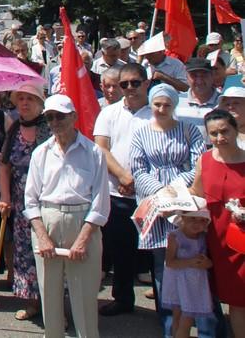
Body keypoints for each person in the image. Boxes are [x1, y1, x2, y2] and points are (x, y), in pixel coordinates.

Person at [24, 94, 110, 338]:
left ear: (74, 117)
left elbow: (100, 202)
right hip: (47, 221)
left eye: (60, 116)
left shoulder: (94, 152)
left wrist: (83, 239)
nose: (55, 122)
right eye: (50, 117)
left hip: (83, 223)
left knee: (84, 295)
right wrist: (42, 237)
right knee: (49, 295)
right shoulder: (40, 153)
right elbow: (30, 200)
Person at [130, 83, 207, 336]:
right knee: (163, 264)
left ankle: (199, 318)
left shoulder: (188, 130)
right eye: (157, 104)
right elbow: (138, 169)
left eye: (167, 105)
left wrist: (175, 190)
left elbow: (198, 164)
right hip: (155, 202)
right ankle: (168, 323)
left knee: (191, 255)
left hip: (183, 200)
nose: (162, 109)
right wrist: (161, 194)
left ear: (174, 105)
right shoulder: (141, 133)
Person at [94, 62, 154, 317]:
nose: (130, 88)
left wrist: (140, 181)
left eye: (135, 83)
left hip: (151, 195)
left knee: (154, 253)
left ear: (146, 83)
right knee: (121, 250)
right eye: (124, 84)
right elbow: (101, 148)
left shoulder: (157, 111)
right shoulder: (109, 113)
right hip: (117, 192)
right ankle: (123, 299)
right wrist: (122, 175)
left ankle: (166, 306)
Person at [0, 81, 51, 323]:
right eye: (21, 99)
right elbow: (4, 166)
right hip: (21, 204)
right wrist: (5, 197)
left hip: (48, 202)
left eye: (30, 99)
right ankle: (33, 303)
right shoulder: (15, 128)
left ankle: (54, 307)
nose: (25, 103)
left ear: (39, 103)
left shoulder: (49, 128)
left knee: (49, 253)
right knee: (26, 254)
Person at [191, 109, 245, 336]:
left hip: (242, 241)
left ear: (235, 130)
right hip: (216, 241)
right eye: (214, 134)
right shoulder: (204, 160)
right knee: (234, 298)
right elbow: (196, 193)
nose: (220, 138)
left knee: (241, 297)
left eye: (225, 131)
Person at [161, 200, 216, 338]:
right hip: (178, 282)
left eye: (202, 220)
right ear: (183, 218)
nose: (197, 224)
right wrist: (190, 262)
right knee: (178, 316)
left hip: (195, 284)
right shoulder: (175, 236)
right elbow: (170, 262)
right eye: (193, 219)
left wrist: (207, 263)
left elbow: (210, 263)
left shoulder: (203, 237)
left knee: (187, 319)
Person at [177, 58, 221, 135]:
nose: (199, 81)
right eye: (194, 76)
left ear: (212, 76)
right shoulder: (177, 101)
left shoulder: (223, 101)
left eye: (204, 75)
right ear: (186, 77)